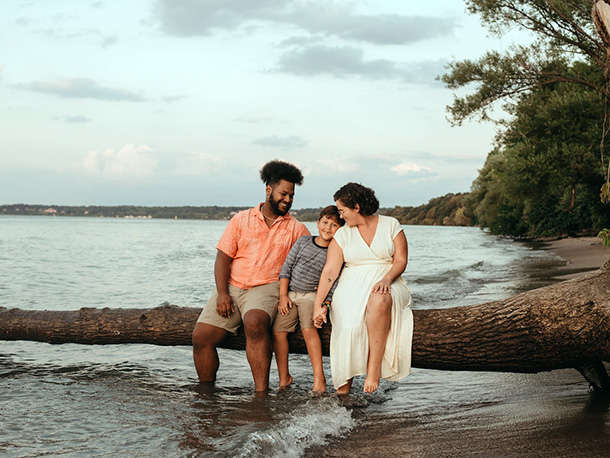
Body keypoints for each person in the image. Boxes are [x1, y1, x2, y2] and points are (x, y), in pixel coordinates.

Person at [192, 160, 310, 392]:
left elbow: (315, 255)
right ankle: (206, 395)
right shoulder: (240, 220)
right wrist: (223, 294)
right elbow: (223, 259)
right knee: (200, 337)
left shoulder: (296, 228)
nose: (288, 199)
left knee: (254, 323)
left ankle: (260, 394)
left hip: (266, 288)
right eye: (283, 193)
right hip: (232, 286)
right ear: (269, 190)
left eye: (292, 195)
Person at [313, 182, 413, 394]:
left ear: (356, 207)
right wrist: (318, 305)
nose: (340, 216)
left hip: (388, 279)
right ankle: (343, 390)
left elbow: (401, 260)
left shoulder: (391, 224)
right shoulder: (342, 234)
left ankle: (373, 369)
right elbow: (330, 272)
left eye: (342, 210)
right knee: (348, 322)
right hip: (351, 284)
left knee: (379, 298)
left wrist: (387, 279)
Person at [272, 205, 345, 393]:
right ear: (318, 222)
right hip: (290, 295)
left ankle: (319, 378)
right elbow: (286, 268)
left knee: (308, 330)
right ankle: (284, 377)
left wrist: (324, 305)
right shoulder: (303, 242)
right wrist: (282, 296)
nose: (328, 228)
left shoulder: (336, 251)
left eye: (334, 225)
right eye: (325, 222)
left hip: (312, 297)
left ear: (341, 229)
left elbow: (334, 282)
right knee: (279, 332)